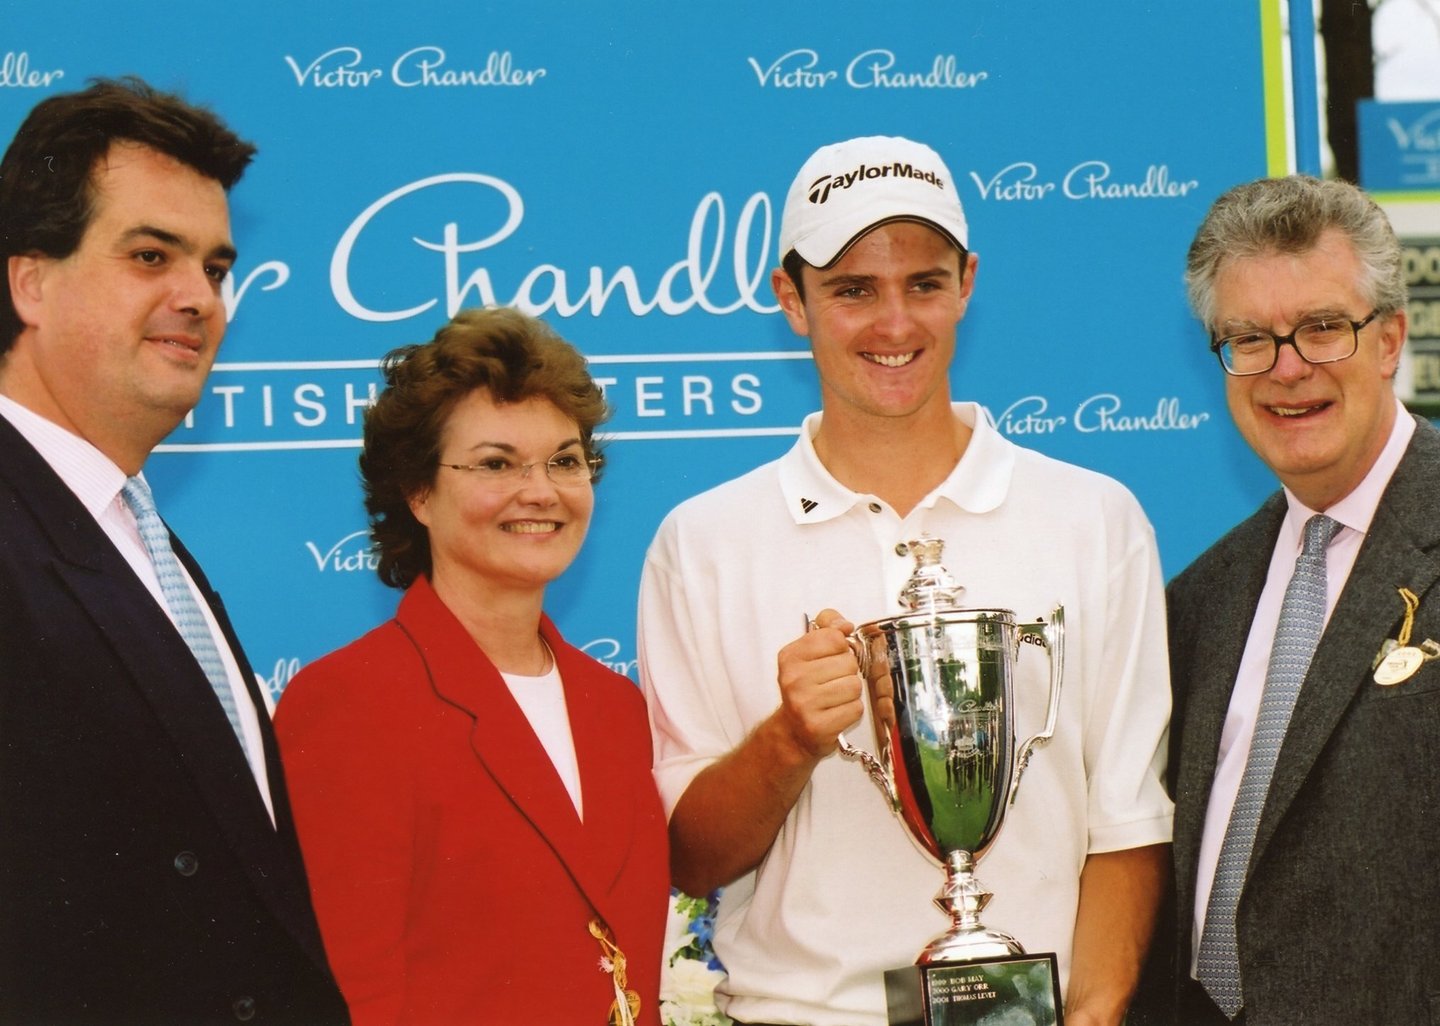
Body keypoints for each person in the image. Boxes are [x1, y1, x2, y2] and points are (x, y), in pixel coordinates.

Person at [637, 135, 1174, 1026]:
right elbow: (689, 856)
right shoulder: (701, 543)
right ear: (791, 299)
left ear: (966, 282)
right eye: (853, 290)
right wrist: (789, 740)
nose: (895, 325)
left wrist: (1095, 1012)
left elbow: (1124, 820)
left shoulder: (1095, 518)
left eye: (922, 284)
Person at [0, 78, 349, 1023]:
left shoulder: (142, 537)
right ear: (29, 280)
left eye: (216, 267)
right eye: (151, 254)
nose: (197, 297)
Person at [275, 307, 670, 1026]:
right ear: (418, 492)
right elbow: (349, 991)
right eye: (495, 463)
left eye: (565, 459)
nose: (541, 490)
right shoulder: (348, 702)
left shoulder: (615, 706)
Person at [1155, 175, 1437, 1024]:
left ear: (1390, 337)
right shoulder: (1198, 601)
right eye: (1249, 338)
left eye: (1322, 329)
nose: (1286, 370)